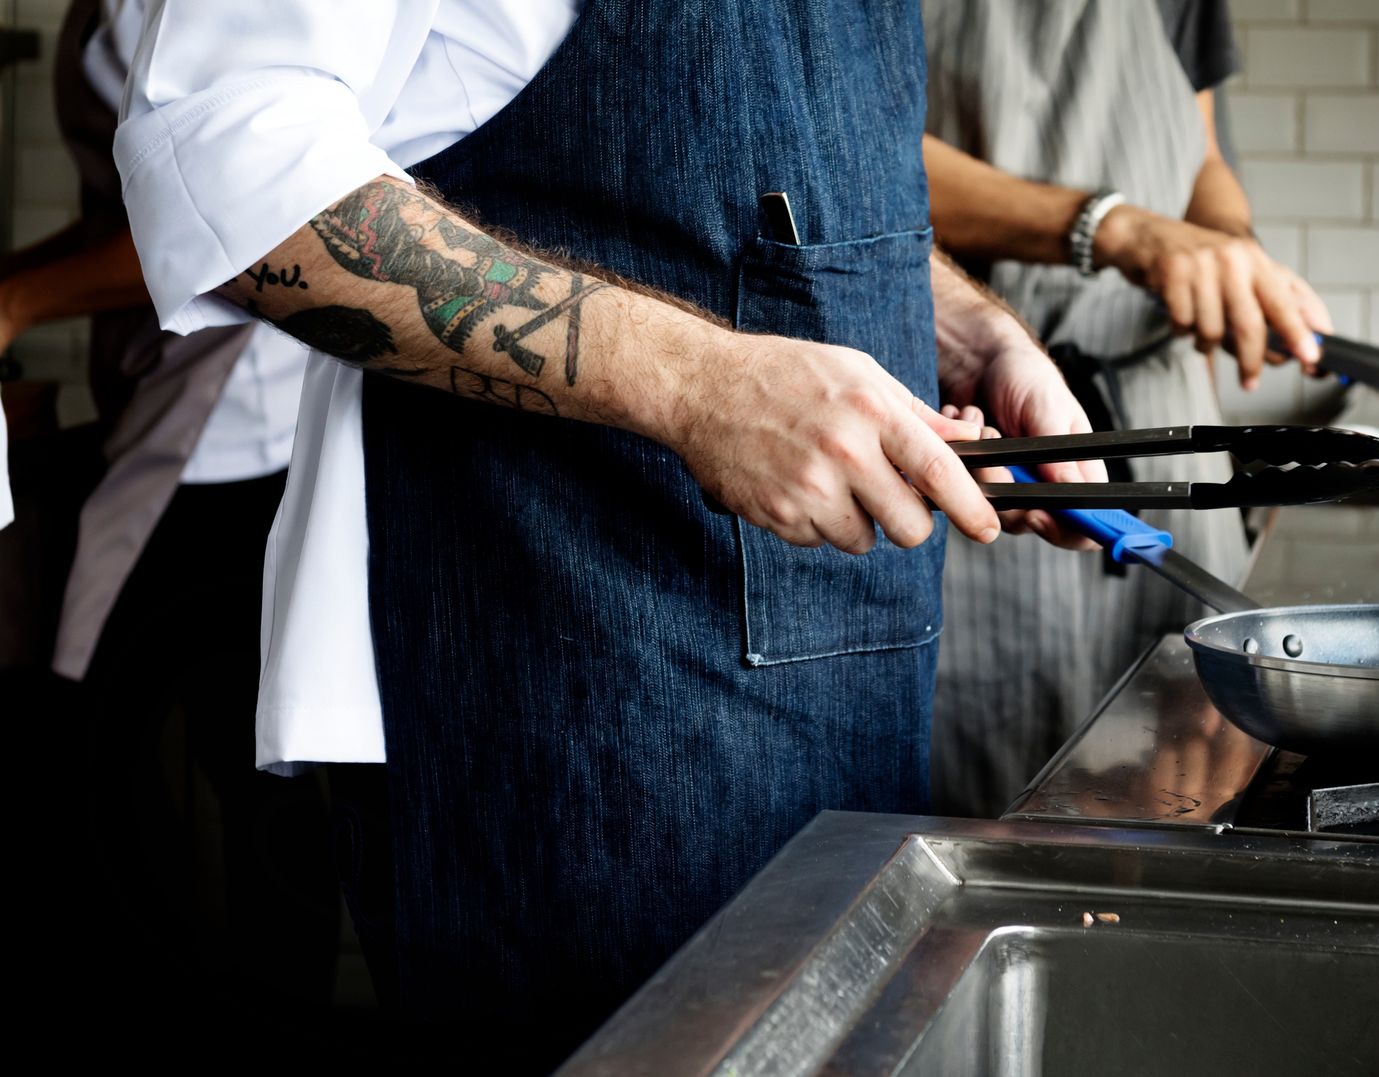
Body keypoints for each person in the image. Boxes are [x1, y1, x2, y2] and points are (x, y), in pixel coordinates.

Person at [114, 0, 1098, 1063]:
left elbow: (751, 175)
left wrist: (965, 332)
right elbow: (228, 168)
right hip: (560, 695)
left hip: (848, 689)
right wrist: (699, 383)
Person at [2, 0, 336, 1059]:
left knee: (245, 794)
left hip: (246, 434)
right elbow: (140, 210)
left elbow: (232, 226)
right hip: (169, 409)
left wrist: (17, 301)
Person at [922, 0, 1335, 816]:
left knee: (1200, 777)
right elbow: (853, 165)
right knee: (991, 806)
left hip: (1158, 411)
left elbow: (1199, 151)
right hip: (975, 423)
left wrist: (1226, 247)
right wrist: (1111, 228)